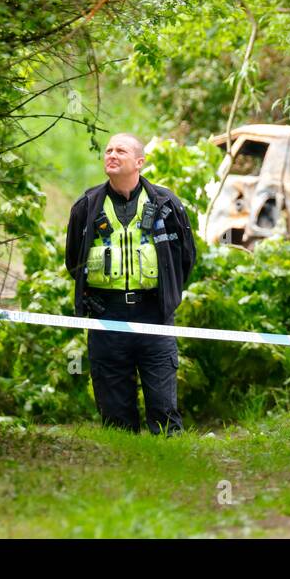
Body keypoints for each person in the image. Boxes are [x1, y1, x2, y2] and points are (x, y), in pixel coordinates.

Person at [64, 133, 196, 435]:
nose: (111, 154)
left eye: (120, 150)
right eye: (108, 150)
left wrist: (167, 296)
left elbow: (185, 257)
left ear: (139, 162)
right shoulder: (86, 206)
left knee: (164, 409)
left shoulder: (167, 204)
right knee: (115, 415)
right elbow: (74, 260)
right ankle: (120, 466)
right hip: (106, 317)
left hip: (154, 316)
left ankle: (170, 462)